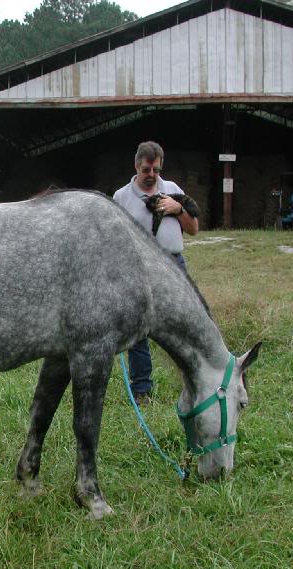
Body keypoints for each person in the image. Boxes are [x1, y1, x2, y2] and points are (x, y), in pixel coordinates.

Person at [112, 141, 199, 404]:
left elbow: (194, 229)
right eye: (147, 170)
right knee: (139, 332)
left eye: (157, 170)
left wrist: (178, 209)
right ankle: (142, 390)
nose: (152, 175)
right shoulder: (121, 197)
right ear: (136, 166)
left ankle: (193, 381)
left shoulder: (173, 191)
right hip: (138, 269)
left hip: (174, 265)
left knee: (183, 325)